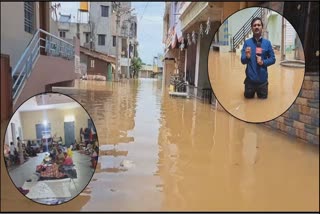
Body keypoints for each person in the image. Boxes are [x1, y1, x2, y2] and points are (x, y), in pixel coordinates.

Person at [241, 17, 276, 99]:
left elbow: (273, 59)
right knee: (248, 106)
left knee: (263, 107)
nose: (256, 27)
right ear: (252, 28)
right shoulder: (247, 43)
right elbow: (242, 61)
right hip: (250, 82)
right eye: (254, 25)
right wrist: (247, 57)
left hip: (262, 83)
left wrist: (263, 62)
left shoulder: (267, 43)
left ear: (262, 28)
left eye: (258, 25)